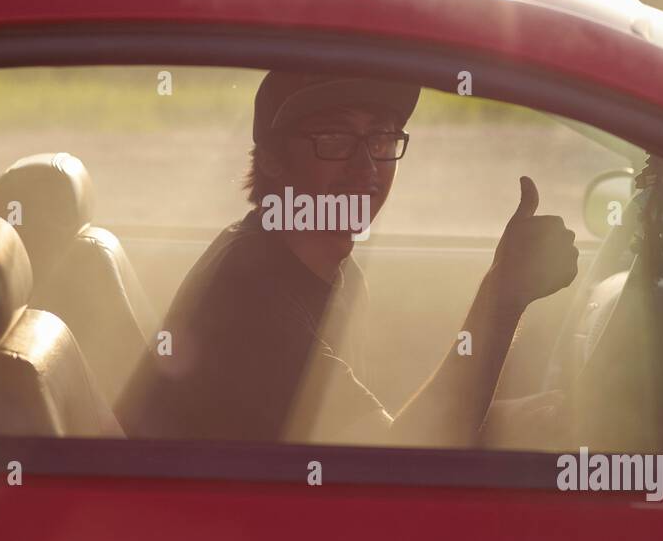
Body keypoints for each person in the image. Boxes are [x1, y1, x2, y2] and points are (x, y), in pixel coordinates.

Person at [117, 71, 579, 447]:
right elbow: (398, 469)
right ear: (273, 159)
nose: (366, 166)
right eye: (334, 139)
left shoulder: (322, 265)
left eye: (380, 138)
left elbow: (375, 438)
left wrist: (522, 420)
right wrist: (503, 297)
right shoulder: (252, 302)